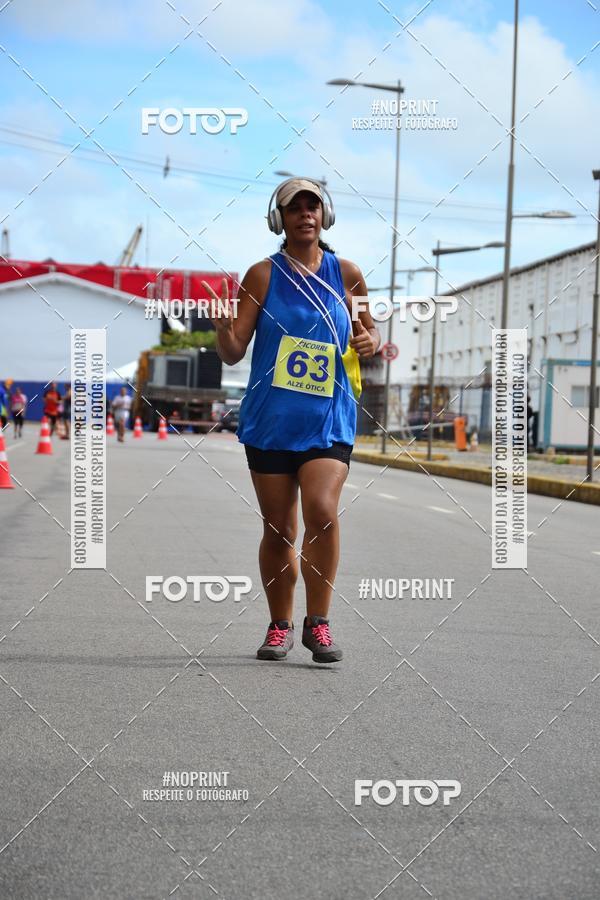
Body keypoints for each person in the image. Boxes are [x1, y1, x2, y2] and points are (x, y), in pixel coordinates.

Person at [202, 177, 380, 664]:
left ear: (326, 215)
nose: (306, 214)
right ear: (279, 218)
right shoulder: (262, 275)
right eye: (295, 207)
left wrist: (372, 342)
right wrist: (221, 329)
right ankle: (279, 625)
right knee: (280, 528)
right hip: (272, 421)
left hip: (329, 420)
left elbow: (369, 331)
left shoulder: (348, 274)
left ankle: (317, 624)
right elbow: (234, 351)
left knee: (321, 510)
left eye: (313, 206)